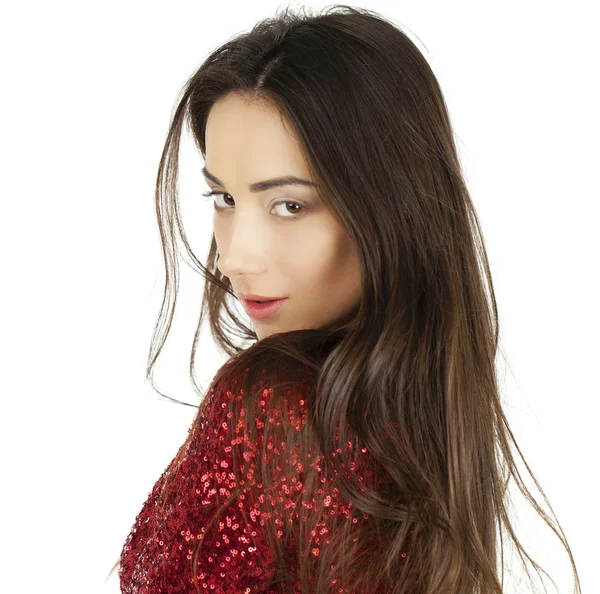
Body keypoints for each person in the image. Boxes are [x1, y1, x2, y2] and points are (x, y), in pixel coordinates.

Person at [109, 5, 581, 593]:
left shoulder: (273, 408)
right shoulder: (429, 416)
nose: (234, 257)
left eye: (289, 205)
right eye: (224, 198)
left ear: (387, 210)